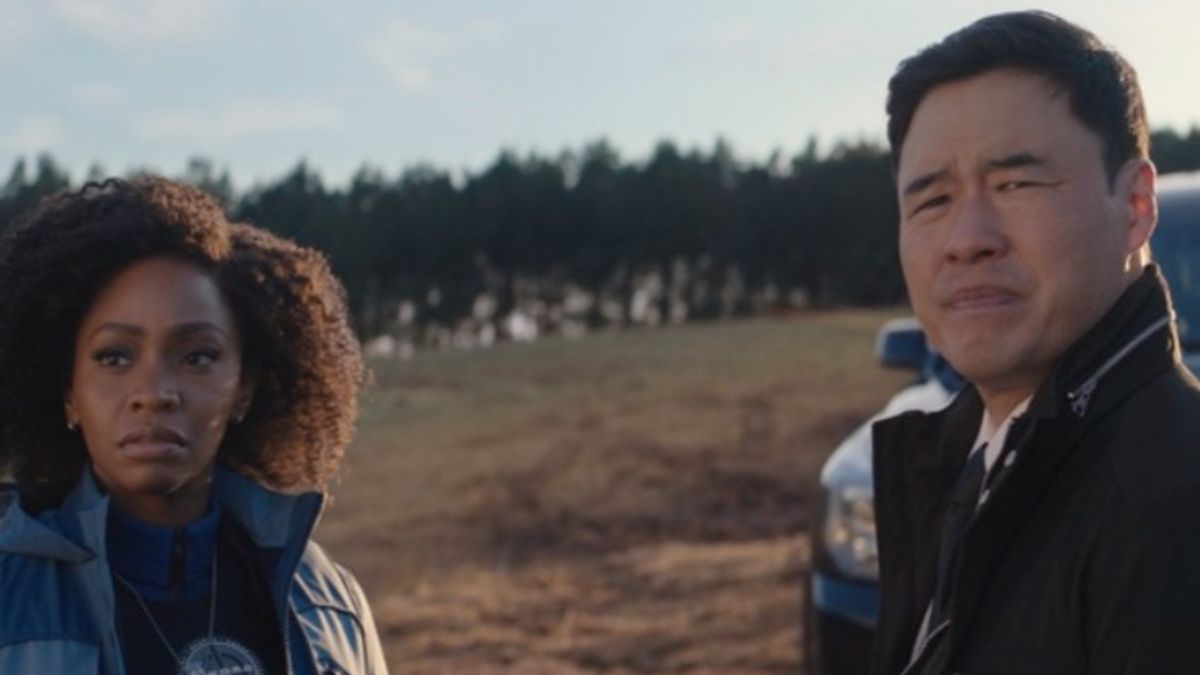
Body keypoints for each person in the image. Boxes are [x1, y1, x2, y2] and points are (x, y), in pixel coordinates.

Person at [872, 10, 1200, 675]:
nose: (967, 239)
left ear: (1136, 206)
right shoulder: (976, 461)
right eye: (932, 201)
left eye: (1015, 183)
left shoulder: (1173, 503)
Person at [0, 176, 389, 674]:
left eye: (197, 357)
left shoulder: (329, 603)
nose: (154, 393)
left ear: (244, 388)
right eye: (114, 357)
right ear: (68, 394)